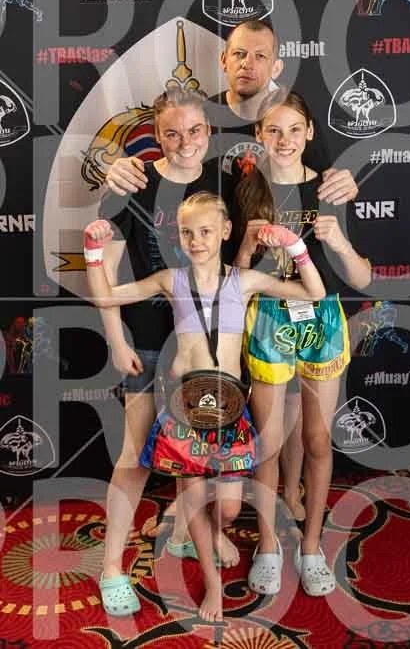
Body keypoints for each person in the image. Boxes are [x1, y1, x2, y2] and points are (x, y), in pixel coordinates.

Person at [103, 19, 359, 529]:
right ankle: (197, 510)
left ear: (276, 65)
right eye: (239, 54)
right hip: (196, 295)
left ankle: (288, 494)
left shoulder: (287, 116)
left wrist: (346, 183)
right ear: (223, 60)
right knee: (206, 414)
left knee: (283, 409)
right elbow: (162, 157)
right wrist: (117, 164)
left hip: (258, 295)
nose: (249, 64)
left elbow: (325, 181)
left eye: (260, 56)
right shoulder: (202, 118)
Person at [85, 191, 326, 620]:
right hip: (186, 409)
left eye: (206, 231)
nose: (196, 241)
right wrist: (93, 252)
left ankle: (201, 536)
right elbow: (106, 298)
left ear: (226, 232)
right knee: (194, 497)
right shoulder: (170, 279)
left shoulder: (244, 281)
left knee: (229, 508)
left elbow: (315, 292)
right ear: (178, 237)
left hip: (230, 410)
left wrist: (295, 246)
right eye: (187, 233)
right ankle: (213, 586)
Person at [96, 88, 236, 614]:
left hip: (209, 352)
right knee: (134, 455)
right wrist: (116, 340)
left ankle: (181, 531)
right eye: (172, 133)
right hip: (150, 342)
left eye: (195, 130)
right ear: (156, 136)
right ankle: (111, 566)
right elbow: (105, 272)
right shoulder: (132, 184)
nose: (185, 142)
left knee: (197, 458)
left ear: (208, 132)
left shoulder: (225, 183)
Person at [234, 89, 371, 596]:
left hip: (322, 320)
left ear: (310, 132)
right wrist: (246, 247)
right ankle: (269, 545)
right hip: (269, 318)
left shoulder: (330, 189)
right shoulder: (246, 189)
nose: (285, 139)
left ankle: (311, 547)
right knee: (269, 442)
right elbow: (234, 278)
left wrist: (340, 242)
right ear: (258, 135)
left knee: (316, 439)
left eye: (295, 129)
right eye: (273, 130)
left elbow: (363, 275)